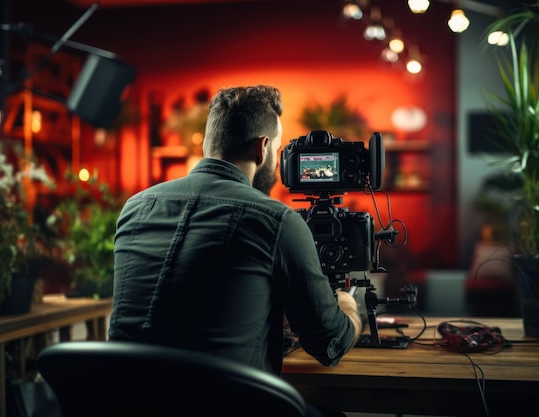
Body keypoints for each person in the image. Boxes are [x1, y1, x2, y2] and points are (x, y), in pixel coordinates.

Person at [108, 85, 362, 415]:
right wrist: (349, 308)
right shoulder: (276, 219)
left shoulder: (136, 207)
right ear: (263, 148)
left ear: (207, 143)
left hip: (125, 403)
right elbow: (329, 345)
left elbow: (178, 306)